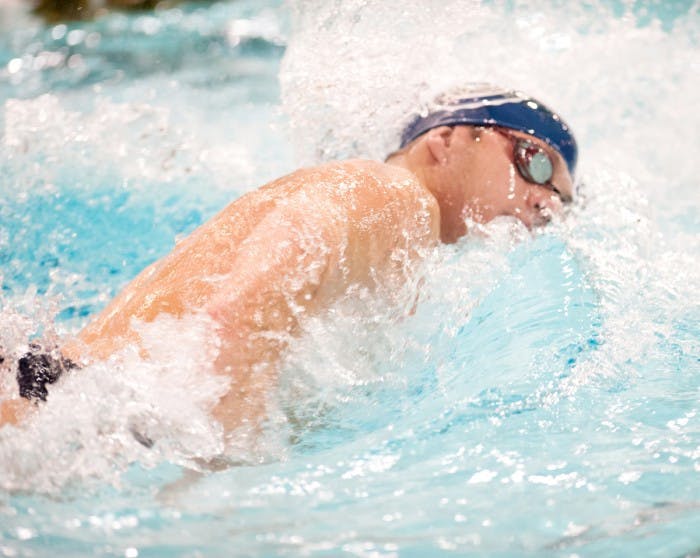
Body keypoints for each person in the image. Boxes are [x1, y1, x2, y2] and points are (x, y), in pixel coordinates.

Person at [0, 85, 577, 436]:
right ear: (445, 139)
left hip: (59, 392)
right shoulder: (391, 195)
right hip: (54, 407)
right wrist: (226, 487)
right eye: (536, 162)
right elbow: (243, 307)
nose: (543, 201)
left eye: (561, 201)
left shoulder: (405, 244)